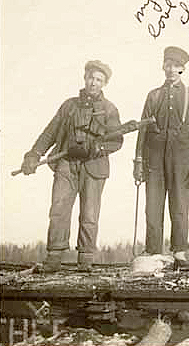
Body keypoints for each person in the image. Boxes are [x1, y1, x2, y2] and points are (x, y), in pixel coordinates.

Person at [20, 60, 123, 272]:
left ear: (104, 84)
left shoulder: (109, 109)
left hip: (94, 166)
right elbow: (50, 132)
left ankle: (85, 260)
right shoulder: (69, 106)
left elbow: (116, 140)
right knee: (58, 208)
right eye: (91, 78)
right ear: (84, 78)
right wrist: (34, 154)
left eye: (99, 80)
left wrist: (94, 149)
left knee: (89, 214)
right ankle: (54, 258)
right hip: (66, 164)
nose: (93, 83)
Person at [133, 46, 189, 270]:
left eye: (176, 66)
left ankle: (179, 252)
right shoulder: (153, 95)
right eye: (168, 64)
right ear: (163, 66)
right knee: (153, 204)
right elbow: (143, 130)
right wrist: (138, 160)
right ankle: (154, 250)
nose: (171, 69)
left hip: (182, 155)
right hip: (153, 155)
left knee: (180, 204)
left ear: (183, 69)